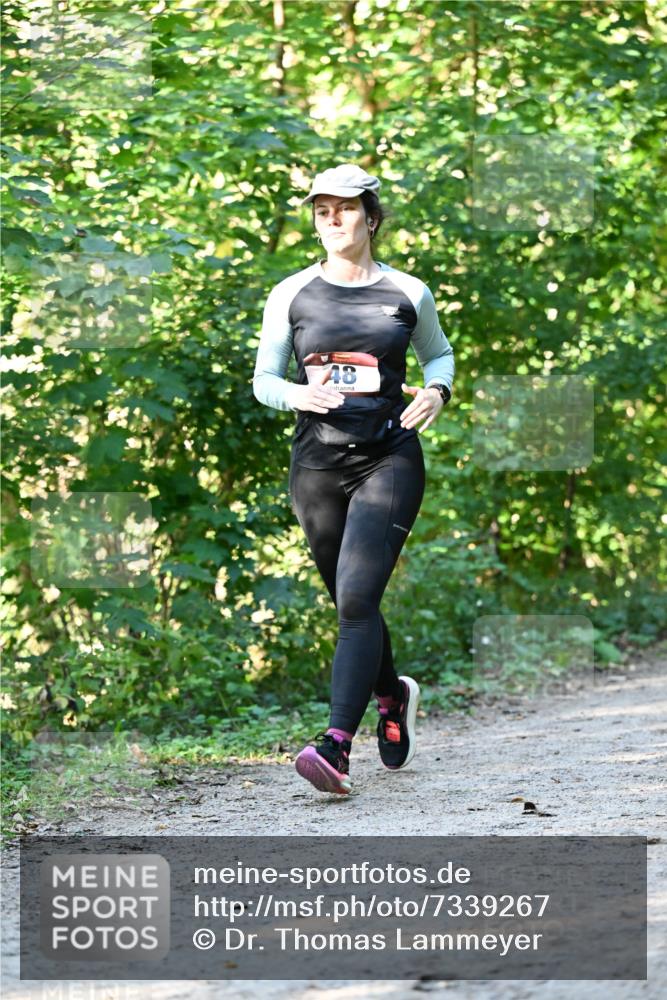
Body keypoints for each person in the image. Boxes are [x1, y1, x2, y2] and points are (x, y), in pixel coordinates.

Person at [252, 163, 455, 795]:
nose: (332, 219)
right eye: (321, 211)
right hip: (316, 467)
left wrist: (438, 391)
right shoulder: (290, 294)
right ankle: (392, 696)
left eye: (344, 209)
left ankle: (336, 744)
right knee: (349, 601)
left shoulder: (407, 293)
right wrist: (295, 397)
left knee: (359, 599)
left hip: (389, 459)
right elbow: (264, 380)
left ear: (370, 217)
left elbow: (438, 354)